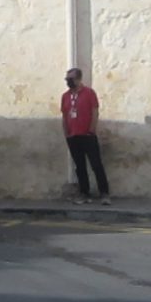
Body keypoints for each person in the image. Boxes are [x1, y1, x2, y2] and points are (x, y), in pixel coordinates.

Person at [61, 67, 110, 205]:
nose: (67, 82)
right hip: (73, 136)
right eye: (66, 79)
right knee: (79, 166)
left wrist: (91, 130)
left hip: (87, 134)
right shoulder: (65, 96)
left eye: (70, 79)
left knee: (96, 164)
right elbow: (65, 115)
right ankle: (84, 193)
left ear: (78, 79)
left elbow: (95, 112)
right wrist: (66, 133)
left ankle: (104, 193)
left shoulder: (89, 93)